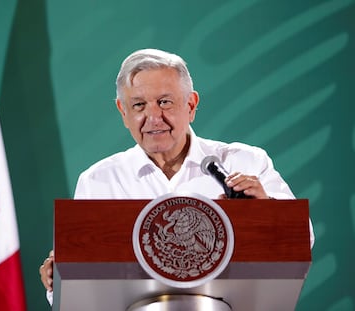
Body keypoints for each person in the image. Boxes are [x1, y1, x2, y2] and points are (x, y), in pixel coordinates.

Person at [39, 48, 315, 304]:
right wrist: (56, 278)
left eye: (164, 102)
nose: (153, 117)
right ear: (123, 112)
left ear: (191, 105)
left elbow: (302, 239)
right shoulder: (99, 181)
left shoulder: (243, 161)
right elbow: (72, 290)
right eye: (138, 105)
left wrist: (265, 211)